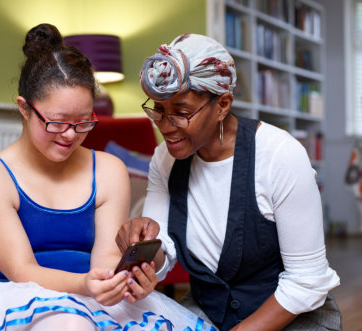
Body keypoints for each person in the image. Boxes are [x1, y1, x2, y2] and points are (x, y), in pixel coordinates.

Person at [0, 24, 216, 330]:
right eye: (57, 122)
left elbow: (106, 259)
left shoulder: (108, 170)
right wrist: (87, 284)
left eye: (84, 122)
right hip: (14, 298)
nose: (70, 135)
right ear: (24, 109)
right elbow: (22, 270)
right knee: (70, 324)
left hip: (91, 293)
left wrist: (125, 280)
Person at [115, 33, 341, 330]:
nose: (165, 127)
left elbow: (306, 281)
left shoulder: (280, 156)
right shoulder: (164, 160)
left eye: (181, 113)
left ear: (222, 105)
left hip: (292, 316)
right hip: (208, 311)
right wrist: (144, 249)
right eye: (158, 109)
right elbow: (163, 252)